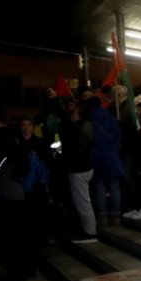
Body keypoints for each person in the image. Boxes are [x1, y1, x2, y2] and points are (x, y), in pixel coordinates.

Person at [0, 107, 37, 279]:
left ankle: (17, 270)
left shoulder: (2, 139)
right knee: (18, 234)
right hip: (15, 191)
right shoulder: (13, 138)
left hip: (6, 193)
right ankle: (25, 268)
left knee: (9, 235)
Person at [86, 97, 125, 229]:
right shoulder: (111, 117)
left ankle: (102, 216)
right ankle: (116, 215)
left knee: (99, 187)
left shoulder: (89, 120)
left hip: (97, 157)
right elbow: (118, 135)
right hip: (112, 156)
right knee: (114, 187)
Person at [60, 99, 96, 241]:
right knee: (82, 200)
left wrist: (69, 160)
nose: (70, 106)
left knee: (82, 201)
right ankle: (88, 229)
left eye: (73, 105)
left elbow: (79, 148)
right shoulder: (80, 124)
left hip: (79, 168)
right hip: (81, 166)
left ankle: (90, 232)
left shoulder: (80, 126)